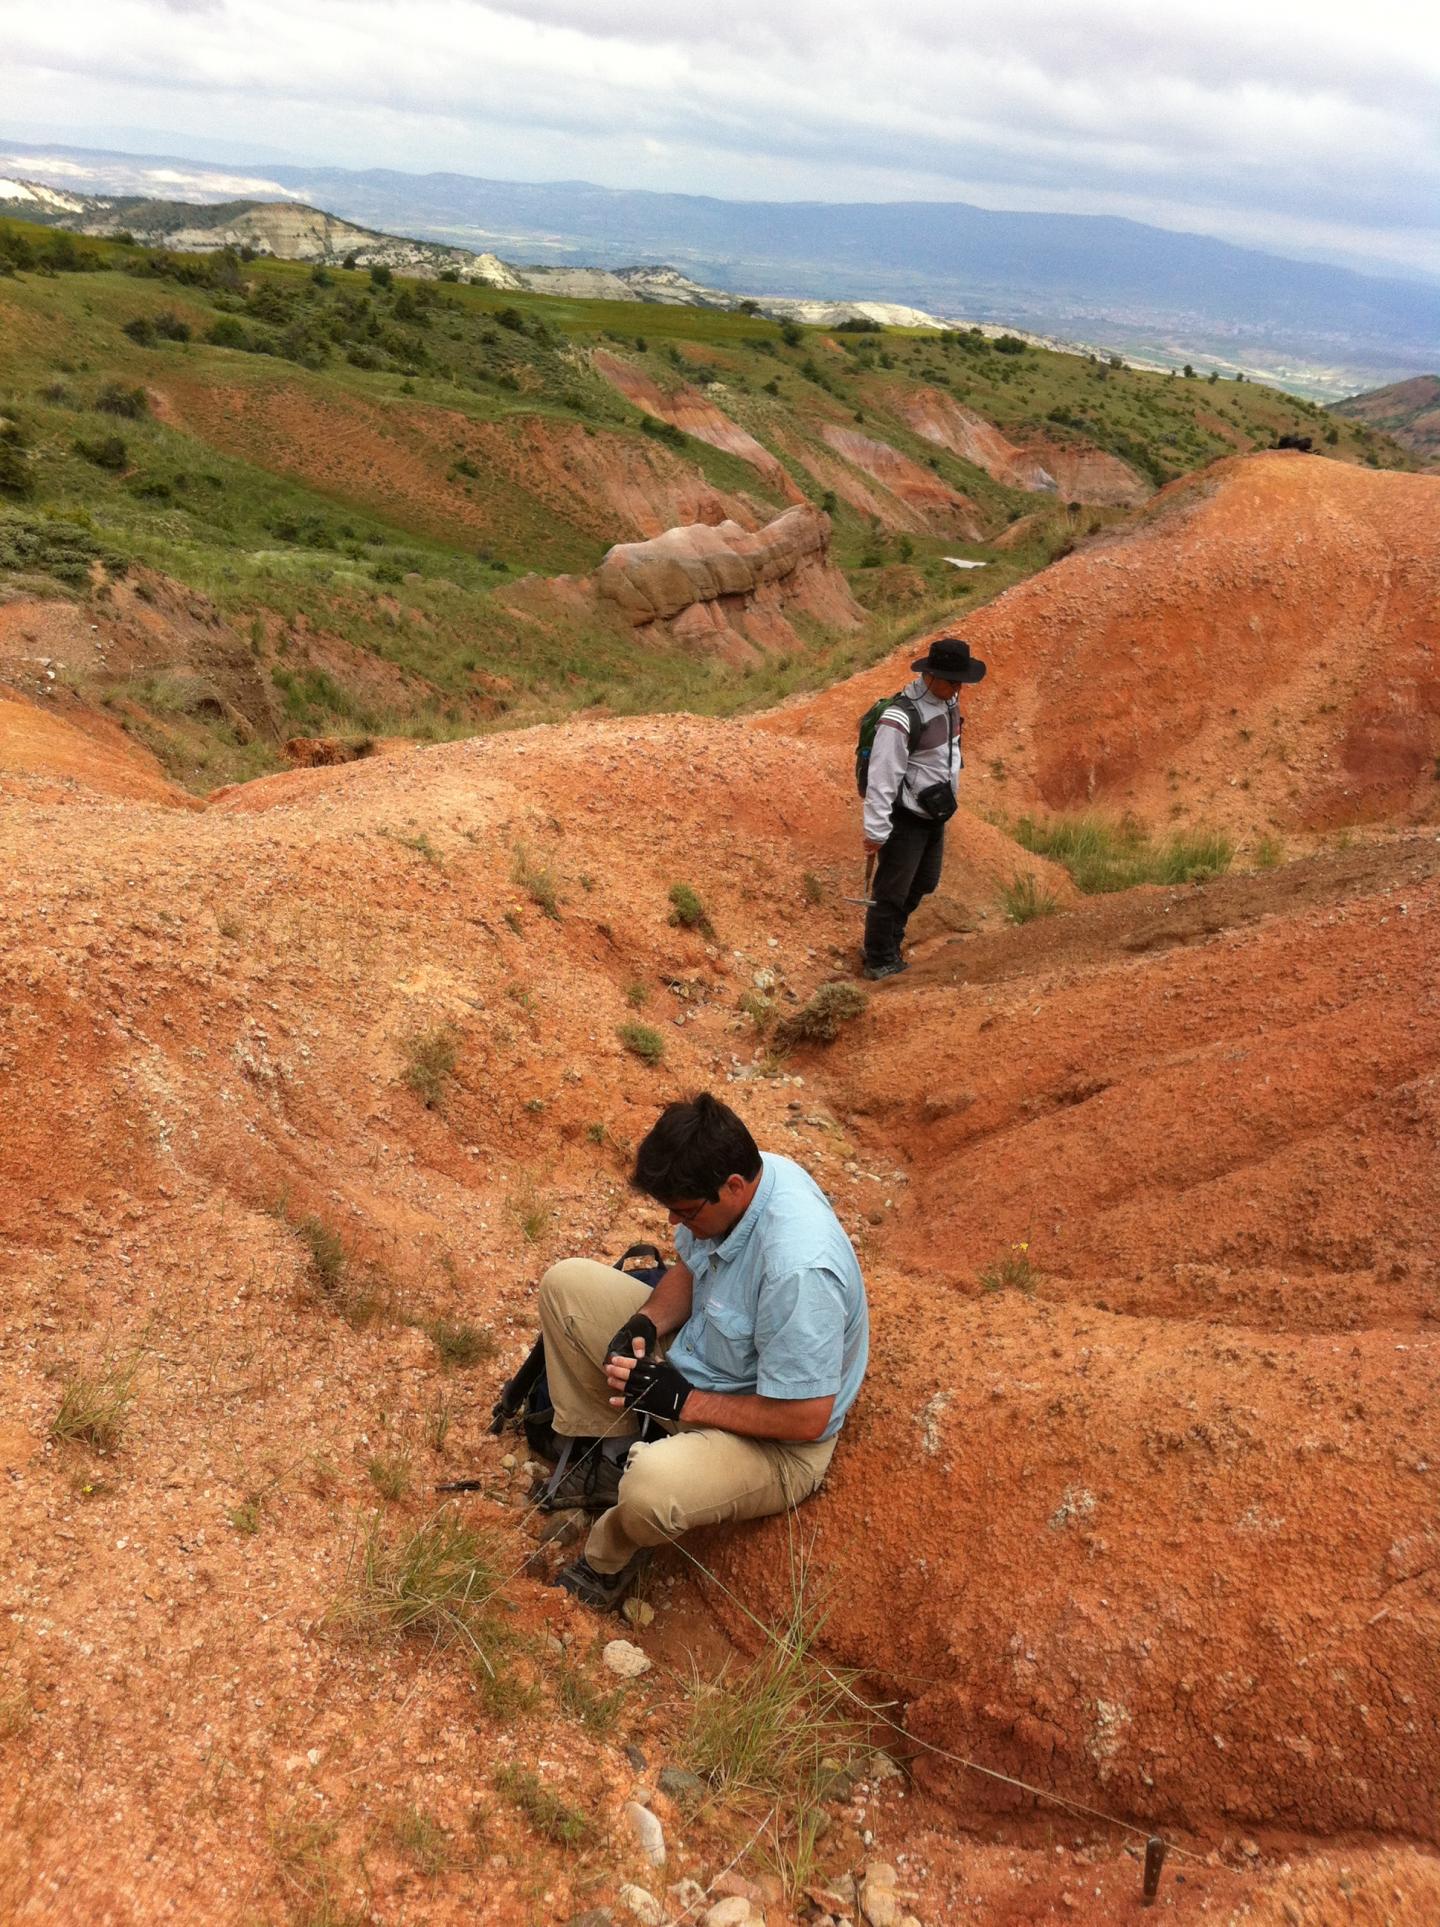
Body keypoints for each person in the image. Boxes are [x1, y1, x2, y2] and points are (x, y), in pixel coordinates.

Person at [535, 1093, 869, 1610]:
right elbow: (693, 1269)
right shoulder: (750, 1180)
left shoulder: (798, 1271)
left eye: (684, 1211)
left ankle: (609, 1557)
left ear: (733, 1187)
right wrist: (647, 1319)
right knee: (566, 1287)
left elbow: (806, 1417)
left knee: (651, 1488)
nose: (673, 1222)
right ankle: (604, 1462)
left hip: (776, 1441)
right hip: (704, 1360)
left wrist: (683, 1403)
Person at [861, 635, 986, 981]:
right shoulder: (900, 718)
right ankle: (879, 959)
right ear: (930, 676)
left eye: (961, 681)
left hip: (935, 813)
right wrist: (875, 830)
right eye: (952, 681)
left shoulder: (948, 705)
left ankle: (890, 940)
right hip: (906, 817)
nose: (958, 688)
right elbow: (882, 777)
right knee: (891, 891)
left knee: (925, 882)